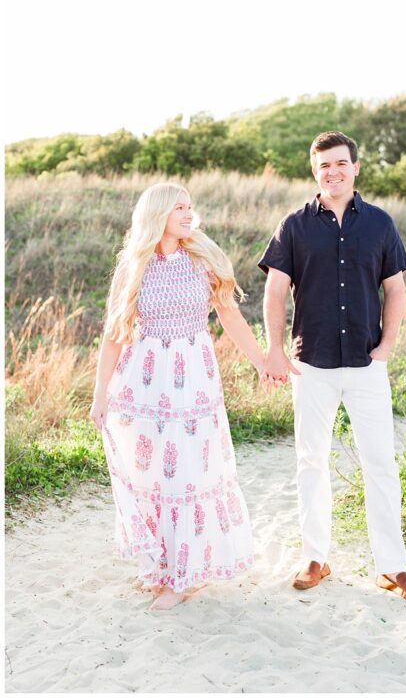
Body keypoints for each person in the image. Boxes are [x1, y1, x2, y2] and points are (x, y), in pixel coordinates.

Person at [259, 131, 406, 604]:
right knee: (311, 461)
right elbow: (274, 291)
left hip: (366, 363)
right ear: (315, 171)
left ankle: (392, 568)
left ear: (355, 168)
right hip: (310, 363)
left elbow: (395, 289)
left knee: (381, 464)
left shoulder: (379, 224)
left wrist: (388, 345)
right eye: (323, 166)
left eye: (339, 164)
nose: (331, 172)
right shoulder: (293, 225)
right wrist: (274, 349)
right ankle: (316, 557)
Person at [89, 183, 264, 611]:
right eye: (179, 207)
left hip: (193, 383)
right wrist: (100, 394)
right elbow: (115, 335)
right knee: (153, 476)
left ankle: (182, 577)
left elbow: (230, 316)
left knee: (188, 473)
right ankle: (162, 566)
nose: (189, 214)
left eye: (190, 206)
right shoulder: (134, 267)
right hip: (143, 386)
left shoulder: (203, 259)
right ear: (158, 214)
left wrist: (261, 362)